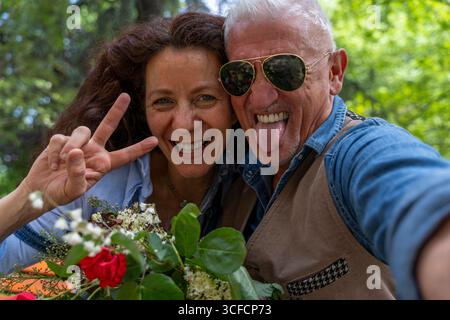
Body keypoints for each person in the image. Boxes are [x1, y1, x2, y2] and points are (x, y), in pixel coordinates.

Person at [217, 0, 450, 299]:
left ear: (334, 73)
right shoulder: (232, 168)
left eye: (285, 69)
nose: (260, 98)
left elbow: (417, 197)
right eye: (240, 75)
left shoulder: (356, 153)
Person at [0, 12, 237, 274]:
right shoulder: (93, 184)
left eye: (204, 98)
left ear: (235, 103)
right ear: (143, 108)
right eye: (163, 101)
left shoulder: (260, 183)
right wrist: (30, 196)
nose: (182, 124)